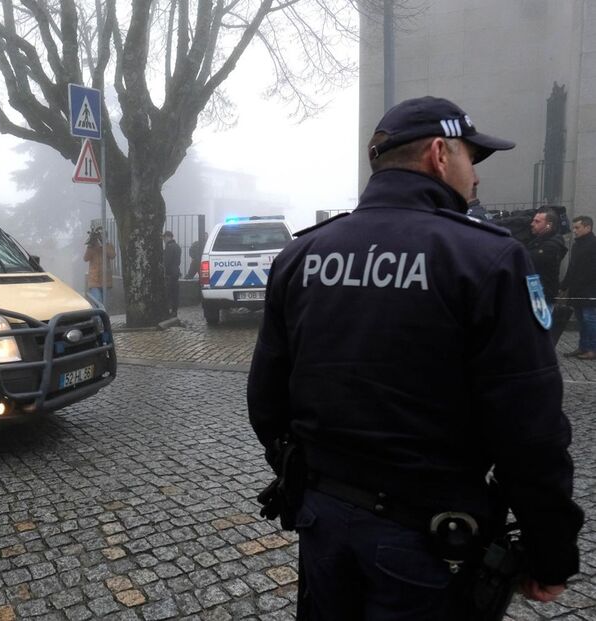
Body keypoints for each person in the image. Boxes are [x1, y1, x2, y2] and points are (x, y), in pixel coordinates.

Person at [248, 96, 582, 619]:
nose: (477, 175)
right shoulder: (488, 257)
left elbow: (266, 401)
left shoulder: (301, 255)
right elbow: (529, 430)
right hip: (428, 536)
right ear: (439, 153)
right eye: (472, 157)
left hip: (322, 518)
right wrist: (551, 549)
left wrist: (311, 481)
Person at [560, 215, 596, 360]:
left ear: (588, 227)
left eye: (577, 227)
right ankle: (583, 347)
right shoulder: (576, 245)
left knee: (590, 320)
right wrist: (564, 285)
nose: (574, 230)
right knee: (581, 321)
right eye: (573, 227)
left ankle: (592, 350)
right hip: (577, 290)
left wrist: (581, 282)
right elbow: (572, 267)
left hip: (590, 291)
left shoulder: (594, 244)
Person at [526, 207, 567, 306]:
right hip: (537, 294)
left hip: (542, 296)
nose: (532, 224)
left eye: (537, 221)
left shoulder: (551, 245)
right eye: (533, 220)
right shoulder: (538, 241)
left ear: (549, 225)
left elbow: (529, 259)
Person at [82, 226, 115, 306]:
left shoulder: (109, 245)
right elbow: (85, 258)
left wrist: (104, 245)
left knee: (105, 304)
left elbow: (112, 255)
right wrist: (91, 247)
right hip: (94, 281)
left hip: (106, 280)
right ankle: (97, 314)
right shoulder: (92, 247)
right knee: (97, 301)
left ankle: (102, 314)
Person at [163, 230, 181, 316]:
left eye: (164, 238)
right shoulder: (177, 246)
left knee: (168, 293)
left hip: (170, 273)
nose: (164, 240)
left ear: (167, 237)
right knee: (175, 294)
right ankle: (174, 311)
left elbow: (167, 261)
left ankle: (168, 312)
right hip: (176, 271)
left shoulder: (169, 247)